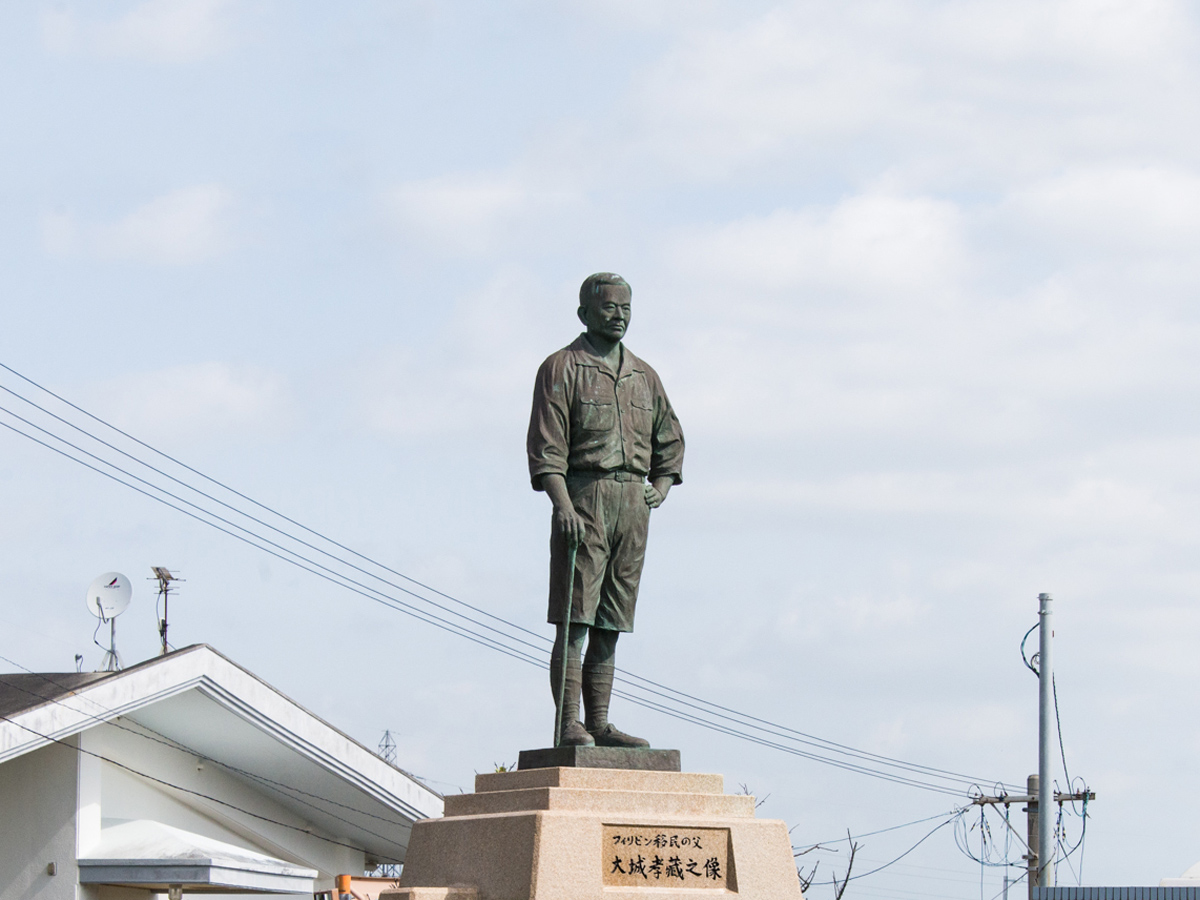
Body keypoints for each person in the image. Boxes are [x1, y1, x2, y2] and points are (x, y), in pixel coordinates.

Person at [527, 272, 684, 747]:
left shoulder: (644, 375)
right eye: (609, 307)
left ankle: (600, 722)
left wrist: (659, 486)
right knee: (577, 618)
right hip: (584, 497)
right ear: (584, 313)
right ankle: (569, 723)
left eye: (626, 308)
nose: (618, 316)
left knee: (612, 621)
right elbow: (546, 448)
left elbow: (670, 441)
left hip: (632, 504)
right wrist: (563, 504)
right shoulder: (561, 367)